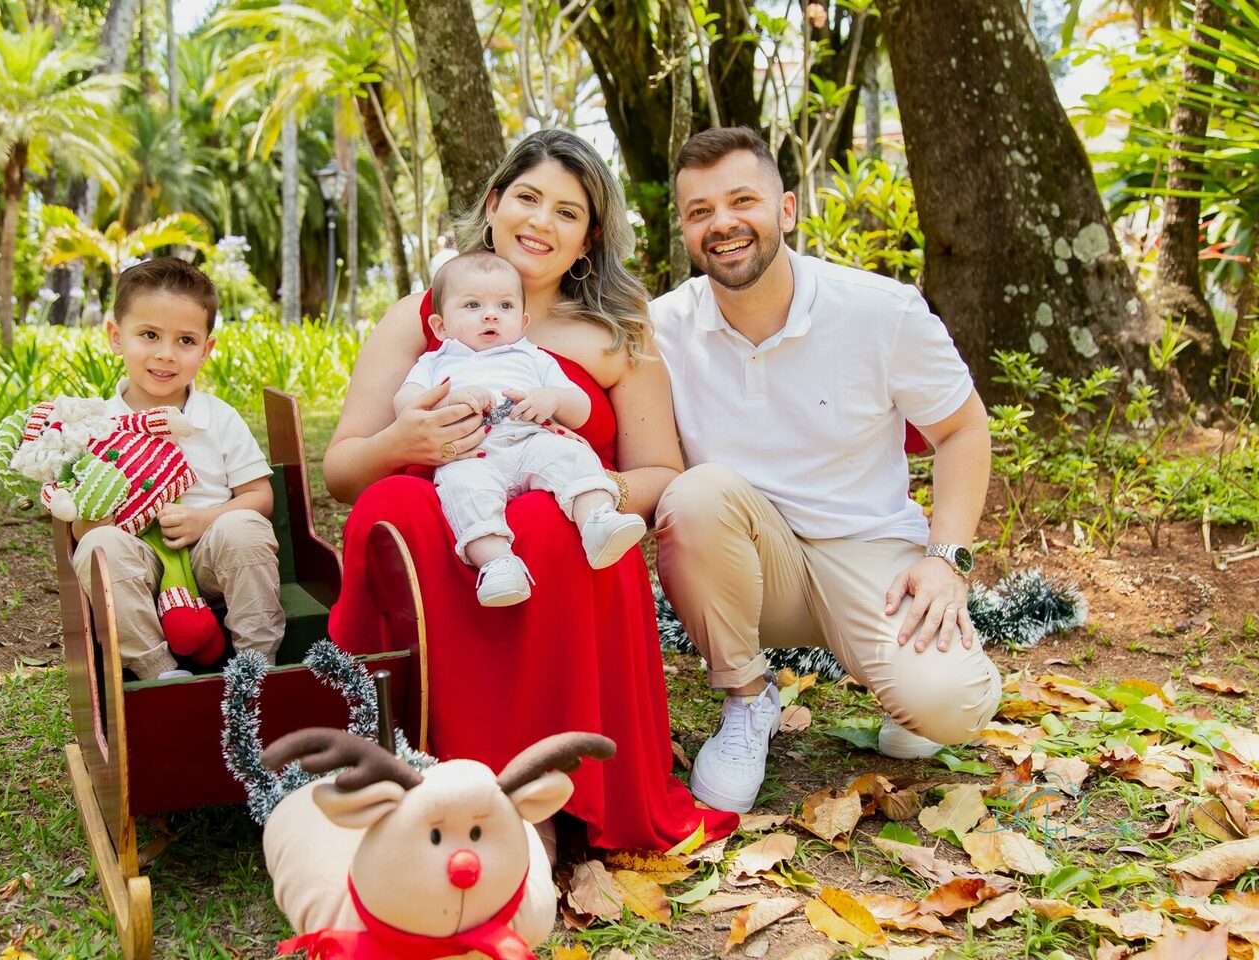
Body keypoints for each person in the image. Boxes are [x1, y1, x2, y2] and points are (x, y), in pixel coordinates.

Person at [324, 129, 738, 850]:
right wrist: (402, 444)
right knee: (395, 506)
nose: (541, 222)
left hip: (566, 533)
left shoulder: (618, 334)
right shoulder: (419, 318)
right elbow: (341, 472)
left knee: (548, 524)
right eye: (527, 198)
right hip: (449, 511)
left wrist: (588, 480)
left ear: (589, 239)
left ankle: (542, 798)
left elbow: (662, 474)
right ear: (493, 205)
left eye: (567, 212)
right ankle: (429, 776)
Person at [650, 127, 1002, 814]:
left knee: (951, 706)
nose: (722, 223)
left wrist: (946, 557)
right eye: (700, 212)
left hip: (870, 553)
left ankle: (902, 689)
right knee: (693, 495)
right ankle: (749, 701)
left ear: (785, 210)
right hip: (751, 561)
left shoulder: (880, 310)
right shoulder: (661, 329)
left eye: (741, 200)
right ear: (687, 232)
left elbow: (963, 429)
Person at [71, 257, 284, 680]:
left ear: (207, 349)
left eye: (185, 340)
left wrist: (205, 520)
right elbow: (81, 530)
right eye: (149, 335)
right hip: (141, 569)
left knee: (244, 527)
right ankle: (158, 672)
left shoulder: (218, 418)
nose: (166, 355)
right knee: (99, 547)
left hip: (212, 562)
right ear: (116, 337)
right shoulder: (95, 427)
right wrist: (99, 516)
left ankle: (256, 666)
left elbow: (260, 497)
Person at [397, 251, 646, 606]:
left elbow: (581, 407)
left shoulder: (532, 356)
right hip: (471, 454)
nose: (490, 314)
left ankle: (597, 520)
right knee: (463, 491)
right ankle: (498, 565)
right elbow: (405, 403)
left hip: (530, 440)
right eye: (471, 305)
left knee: (570, 456)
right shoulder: (435, 362)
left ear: (523, 320)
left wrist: (553, 399)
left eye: (505, 305)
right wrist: (446, 399)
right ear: (440, 326)